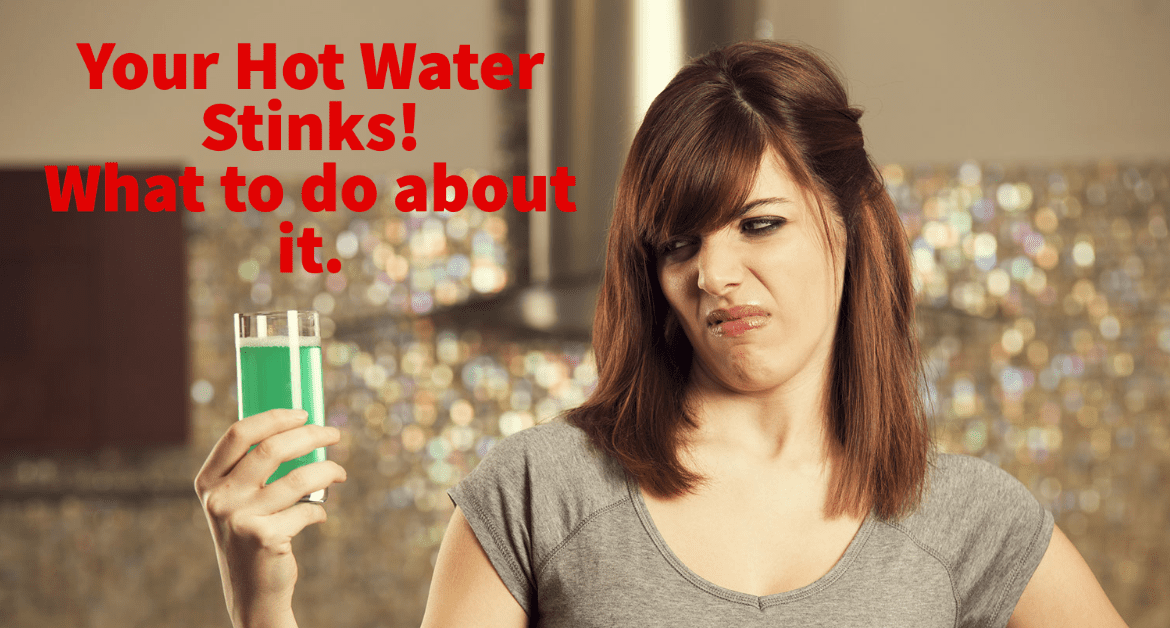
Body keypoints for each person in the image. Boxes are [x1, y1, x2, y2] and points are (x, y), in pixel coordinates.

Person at [195, 41, 1128, 627]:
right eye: (679, 241)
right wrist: (263, 603)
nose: (714, 276)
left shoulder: (970, 518)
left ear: (851, 221)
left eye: (758, 224)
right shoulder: (537, 492)